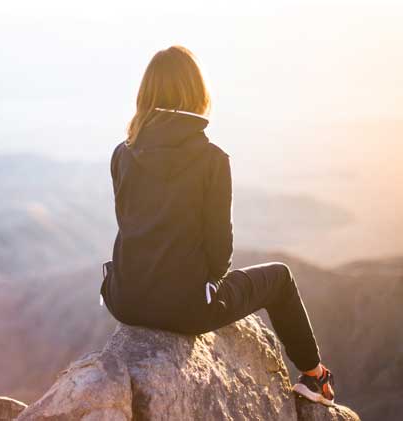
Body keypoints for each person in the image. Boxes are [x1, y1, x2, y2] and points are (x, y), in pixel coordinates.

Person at [99, 45, 336, 406]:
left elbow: (129, 224)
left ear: (146, 94)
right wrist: (204, 286)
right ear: (197, 93)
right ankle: (314, 376)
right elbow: (220, 255)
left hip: (124, 299)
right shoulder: (212, 160)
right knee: (281, 278)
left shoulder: (122, 152)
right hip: (186, 310)